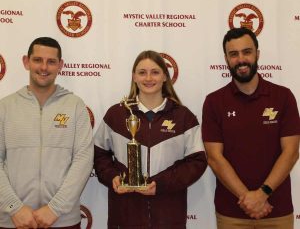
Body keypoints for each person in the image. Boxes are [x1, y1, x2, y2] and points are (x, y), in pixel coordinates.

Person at [94, 50, 207, 229]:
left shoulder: (183, 117)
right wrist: (113, 177)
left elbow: (197, 162)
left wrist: (161, 184)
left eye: (155, 72)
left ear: (164, 77)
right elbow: (99, 155)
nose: (148, 78)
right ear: (134, 77)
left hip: (168, 216)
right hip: (124, 216)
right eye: (142, 72)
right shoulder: (116, 115)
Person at [202, 27, 300, 229]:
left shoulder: (283, 97)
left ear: (257, 54)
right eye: (234, 54)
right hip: (231, 214)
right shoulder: (214, 102)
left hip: (276, 211)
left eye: (247, 52)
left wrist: (262, 194)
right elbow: (214, 158)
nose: (241, 59)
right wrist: (249, 199)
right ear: (226, 59)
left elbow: (291, 153)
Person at [0, 37, 93, 229]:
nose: (44, 67)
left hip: (62, 220)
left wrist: (55, 208)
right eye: (37, 60)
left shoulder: (75, 106)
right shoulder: (5, 107)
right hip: (13, 221)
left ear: (60, 65)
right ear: (26, 62)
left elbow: (83, 160)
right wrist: (14, 208)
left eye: (51, 62)